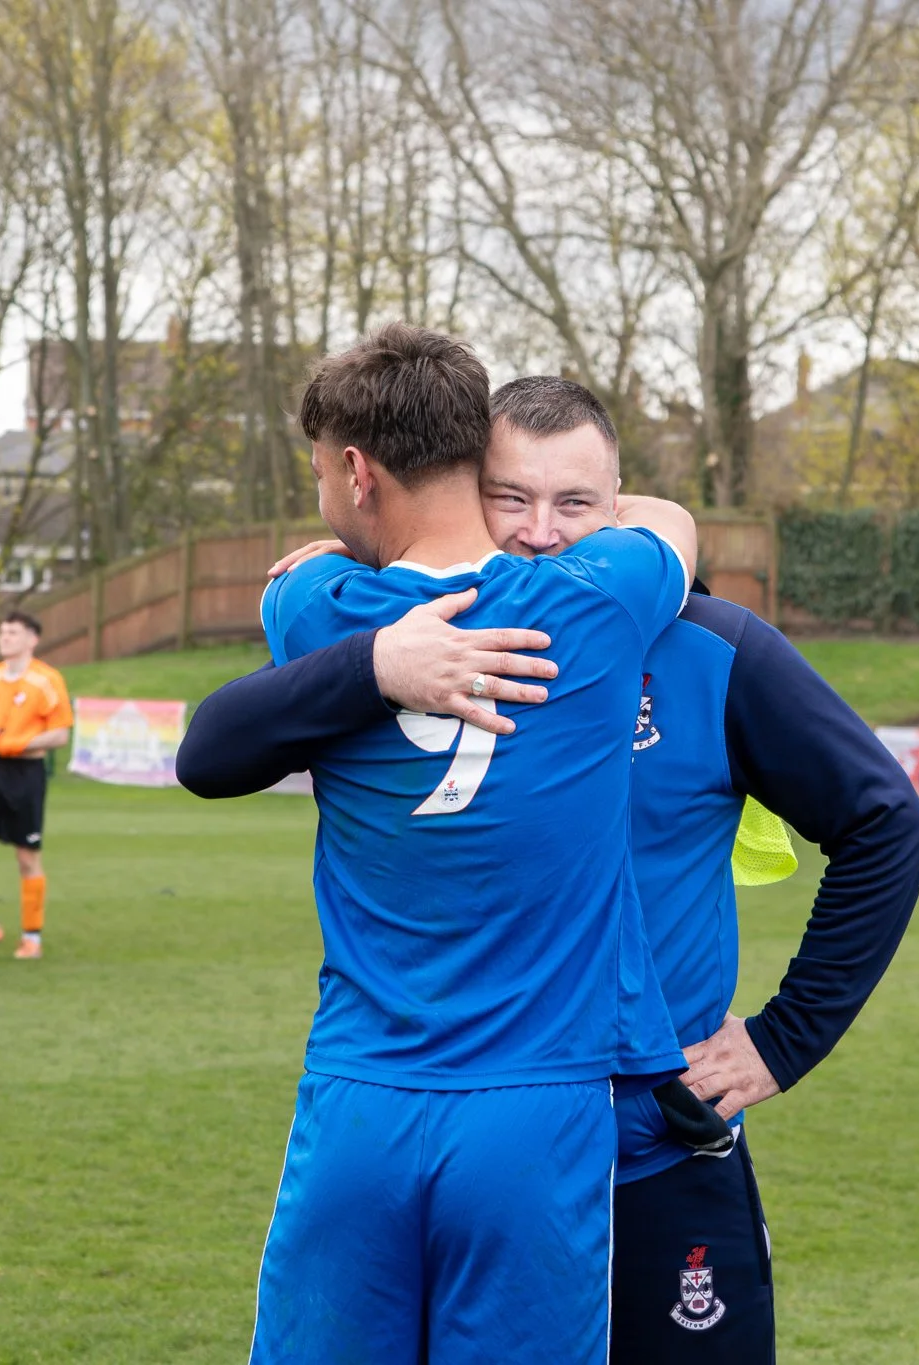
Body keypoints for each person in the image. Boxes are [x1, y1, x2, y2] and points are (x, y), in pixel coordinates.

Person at [181, 375, 919, 1361]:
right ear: (462, 489)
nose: (539, 530)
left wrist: (784, 1040)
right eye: (510, 497)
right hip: (507, 1132)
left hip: (657, 1150)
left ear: (617, 508)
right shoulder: (397, 634)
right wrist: (365, 590)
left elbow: (883, 821)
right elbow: (227, 736)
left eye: (574, 502)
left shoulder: (708, 647)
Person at [193, 324, 695, 1364]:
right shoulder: (598, 602)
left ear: (352, 470)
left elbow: (231, 717)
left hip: (360, 1106)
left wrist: (346, 584)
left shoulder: (311, 606)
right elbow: (664, 522)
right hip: (535, 1114)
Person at [0, 611, 70, 960]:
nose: (5, 637)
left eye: (13, 632)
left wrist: (25, 742)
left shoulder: (46, 680)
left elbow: (61, 733)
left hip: (26, 775)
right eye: (2, 631)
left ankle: (31, 936)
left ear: (31, 639)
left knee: (26, 857)